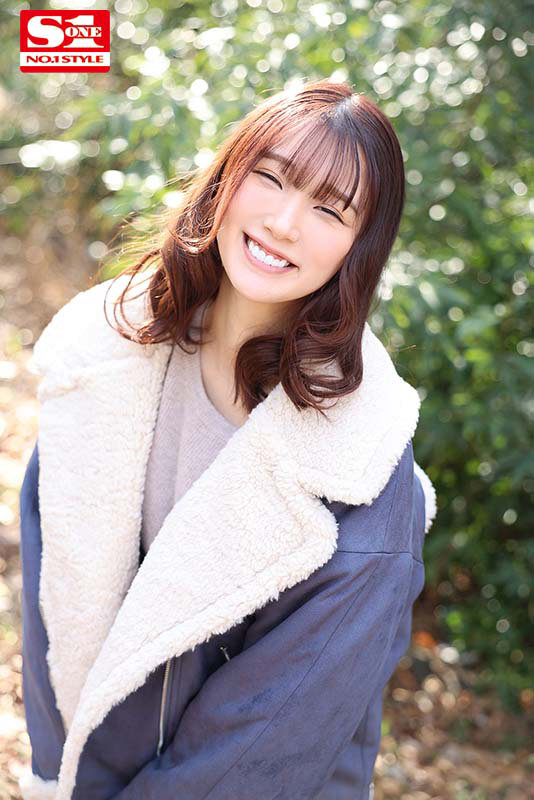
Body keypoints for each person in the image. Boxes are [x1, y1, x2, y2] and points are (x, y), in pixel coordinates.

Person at [18, 78, 437, 800]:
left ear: (360, 248)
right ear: (227, 176)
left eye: (329, 210)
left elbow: (255, 761)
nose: (283, 222)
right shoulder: (100, 361)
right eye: (270, 177)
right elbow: (54, 614)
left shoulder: (364, 485)